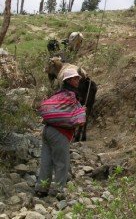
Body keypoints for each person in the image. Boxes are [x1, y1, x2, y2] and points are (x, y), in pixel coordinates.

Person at [35, 68, 83, 199]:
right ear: (68, 81)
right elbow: (75, 116)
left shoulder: (57, 95)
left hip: (47, 131)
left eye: (78, 78)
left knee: (46, 161)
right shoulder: (70, 96)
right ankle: (58, 191)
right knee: (62, 162)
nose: (78, 80)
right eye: (75, 78)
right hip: (59, 133)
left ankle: (41, 189)